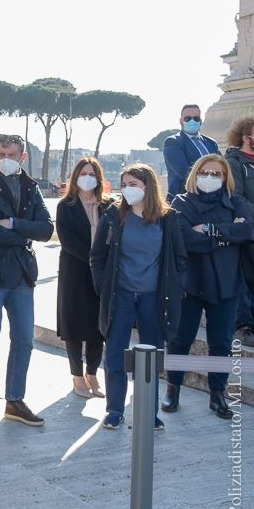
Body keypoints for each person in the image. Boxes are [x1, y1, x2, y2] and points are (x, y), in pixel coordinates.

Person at [90, 164, 186, 429]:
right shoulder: (113, 216)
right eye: (124, 184)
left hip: (153, 299)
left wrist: (177, 288)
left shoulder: (168, 219)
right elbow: (97, 256)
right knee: (115, 356)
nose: (127, 189)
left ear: (148, 186)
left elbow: (180, 260)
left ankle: (148, 413)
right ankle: (115, 411)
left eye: (133, 184)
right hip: (119, 297)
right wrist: (102, 286)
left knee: (151, 358)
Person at [164, 154, 252, 420]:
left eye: (217, 174)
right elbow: (186, 238)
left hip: (227, 283)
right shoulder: (181, 202)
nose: (211, 178)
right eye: (206, 172)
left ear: (226, 178)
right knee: (180, 340)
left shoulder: (235, 202)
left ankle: (217, 394)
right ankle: (173, 388)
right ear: (195, 174)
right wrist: (226, 235)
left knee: (222, 343)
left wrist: (210, 230)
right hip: (191, 282)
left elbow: (245, 231)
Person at [0, 134, 55, 427]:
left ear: (22, 157)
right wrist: (25, 232)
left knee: (24, 340)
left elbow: (47, 229)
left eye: (11, 153)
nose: (5, 158)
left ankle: (15, 400)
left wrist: (15, 225)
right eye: (0, 154)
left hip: (23, 275)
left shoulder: (31, 187)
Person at [56, 157, 113, 399]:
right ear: (75, 177)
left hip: (101, 274)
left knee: (97, 328)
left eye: (92, 173)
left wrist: (103, 263)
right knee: (74, 326)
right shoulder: (65, 205)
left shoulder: (108, 206)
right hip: (75, 272)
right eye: (83, 173)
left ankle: (92, 373)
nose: (87, 177)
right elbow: (67, 240)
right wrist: (93, 258)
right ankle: (77, 376)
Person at [223, 116, 254, 348]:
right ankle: (243, 327)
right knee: (246, 280)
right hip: (246, 231)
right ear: (246, 137)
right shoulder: (234, 162)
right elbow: (237, 197)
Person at [163, 104, 220, 199]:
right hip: (184, 200)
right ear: (181, 121)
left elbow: (222, 167)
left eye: (196, 118)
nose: (192, 121)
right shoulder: (173, 142)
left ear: (201, 121)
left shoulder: (211, 142)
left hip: (213, 198)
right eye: (187, 118)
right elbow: (184, 172)